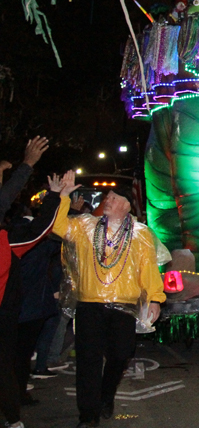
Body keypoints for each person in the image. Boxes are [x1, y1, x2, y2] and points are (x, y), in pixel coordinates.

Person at [50, 175, 166, 427]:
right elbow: (58, 227)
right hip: (89, 305)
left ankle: (106, 393)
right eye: (107, 198)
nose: (108, 201)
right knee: (88, 361)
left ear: (127, 205)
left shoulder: (141, 234)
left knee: (121, 354)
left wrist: (155, 298)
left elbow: (148, 269)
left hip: (124, 306)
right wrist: (63, 196)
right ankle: (88, 416)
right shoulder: (86, 226)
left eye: (114, 197)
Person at [1, 170, 64, 428]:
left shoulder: (8, 240)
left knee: (7, 365)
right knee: (8, 365)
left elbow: (41, 230)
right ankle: (13, 417)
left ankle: (13, 416)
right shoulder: (8, 241)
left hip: (10, 313)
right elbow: (41, 231)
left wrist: (55, 196)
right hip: (13, 312)